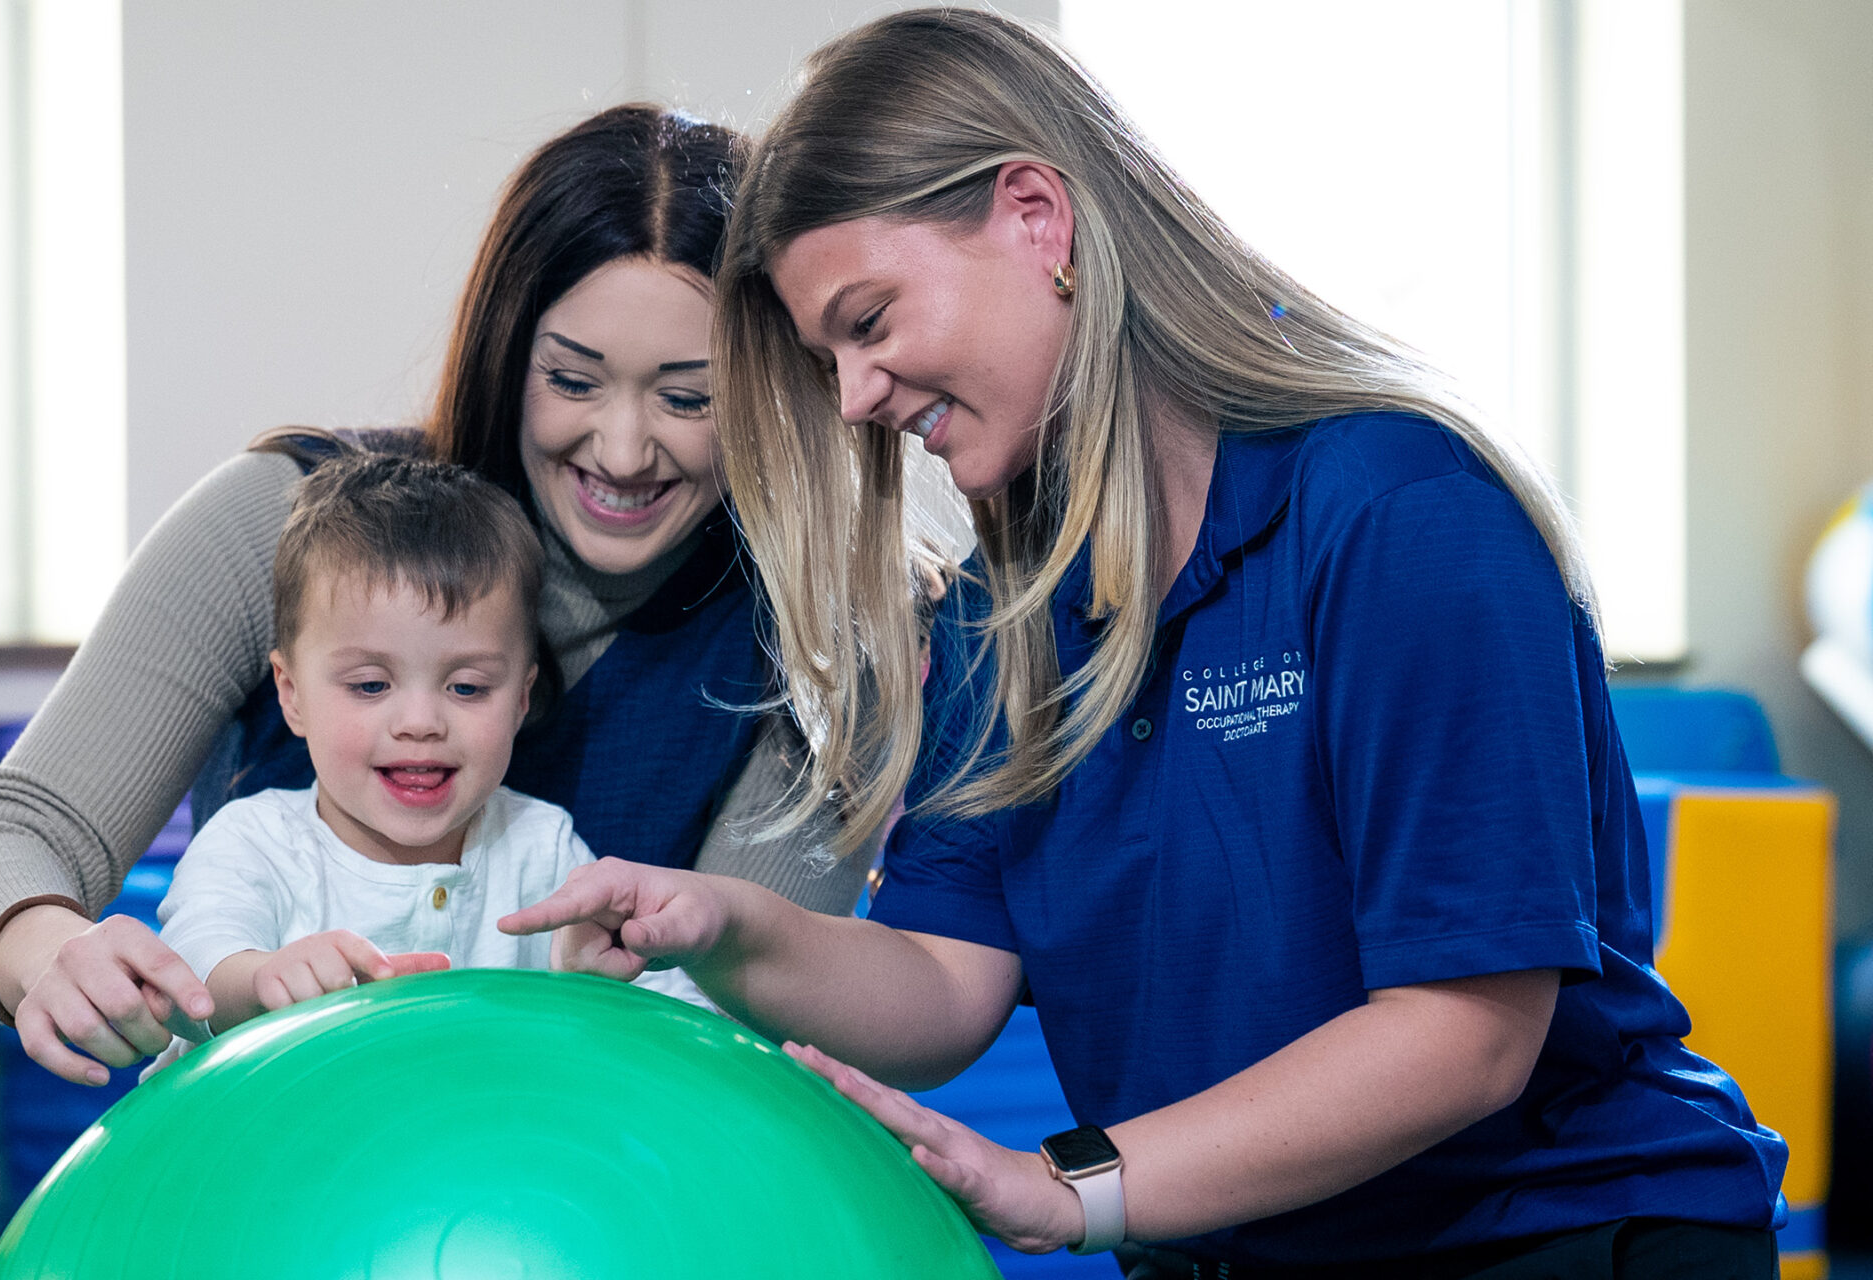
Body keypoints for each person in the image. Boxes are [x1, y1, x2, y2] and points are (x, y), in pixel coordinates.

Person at [504, 11, 1786, 1276]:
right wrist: (722, 925)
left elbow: (1465, 1034)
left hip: (1549, 1237)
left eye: (870, 320)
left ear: (1036, 218)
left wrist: (1073, 1184)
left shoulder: (1400, 514)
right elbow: (945, 981)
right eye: (824, 355)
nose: (854, 398)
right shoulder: (1006, 607)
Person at [0, 104, 873, 1088]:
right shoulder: (289, 523)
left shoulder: (823, 637)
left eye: (688, 398)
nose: (624, 451)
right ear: (508, 354)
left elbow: (726, 1031)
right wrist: (51, 950)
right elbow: (8, 841)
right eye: (571, 381)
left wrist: (618, 990)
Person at [152, 451, 707, 1056]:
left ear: (522, 699)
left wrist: (617, 995)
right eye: (370, 685)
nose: (420, 723)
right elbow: (191, 968)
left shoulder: (541, 849)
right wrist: (260, 982)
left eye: (466, 688)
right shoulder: (255, 842)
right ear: (293, 695)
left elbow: (675, 1007)